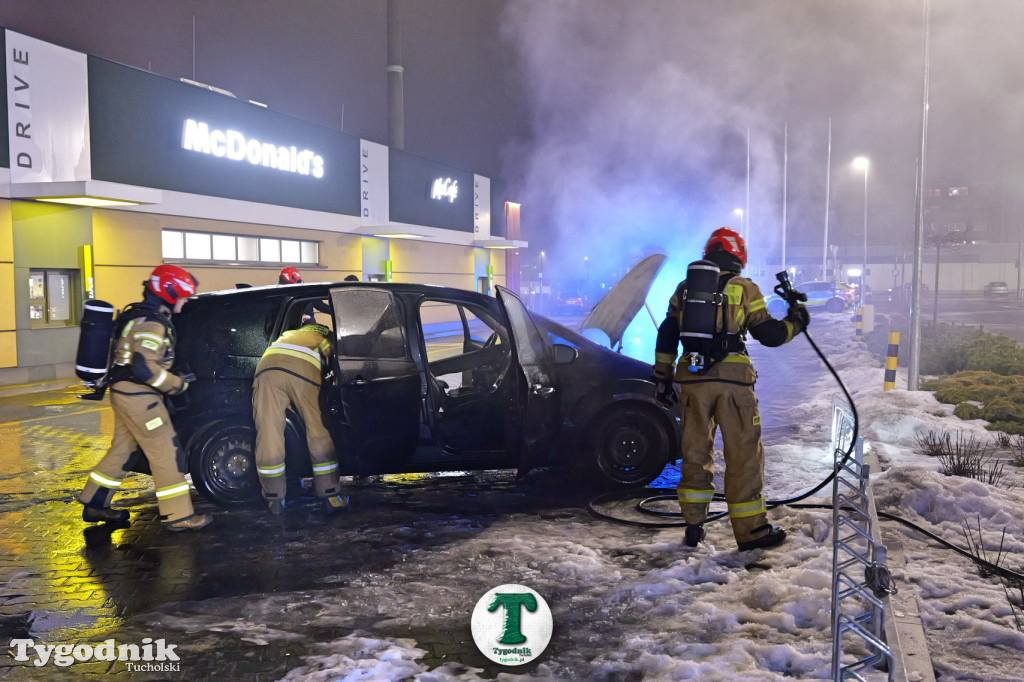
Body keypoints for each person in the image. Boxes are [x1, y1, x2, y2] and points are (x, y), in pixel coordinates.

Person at [652, 227, 809, 552]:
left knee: (695, 453)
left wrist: (663, 377)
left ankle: (694, 526)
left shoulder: (684, 289)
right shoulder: (743, 287)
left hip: (692, 382)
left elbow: (667, 332)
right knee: (743, 456)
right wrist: (797, 321)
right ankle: (752, 532)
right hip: (734, 385)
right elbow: (770, 335)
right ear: (739, 255)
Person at [78, 265, 212, 532]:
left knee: (122, 451)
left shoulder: (139, 317)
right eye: (183, 296)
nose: (185, 302)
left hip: (125, 393)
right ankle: (178, 516)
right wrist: (178, 385)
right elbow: (144, 367)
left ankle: (95, 503)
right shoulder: (152, 324)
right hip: (141, 398)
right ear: (169, 292)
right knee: (166, 453)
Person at [252, 312, 348, 515]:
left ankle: (274, 500)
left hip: (266, 371)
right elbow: (335, 363)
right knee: (318, 430)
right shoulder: (323, 334)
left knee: (269, 434)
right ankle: (329, 494)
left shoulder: (288, 335)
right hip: (301, 371)